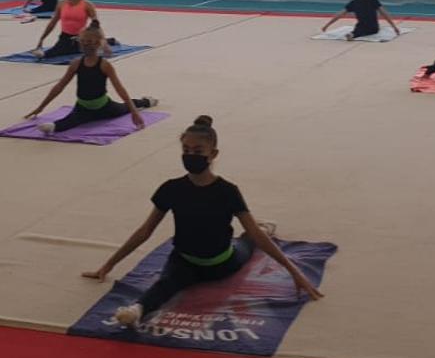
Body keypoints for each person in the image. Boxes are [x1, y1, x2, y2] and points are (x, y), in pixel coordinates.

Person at [82, 115, 324, 326]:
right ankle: (137, 310)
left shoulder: (227, 191)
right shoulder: (171, 188)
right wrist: (108, 265)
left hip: (224, 262)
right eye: (186, 150)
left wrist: (294, 272)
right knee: (165, 284)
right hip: (184, 261)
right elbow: (145, 230)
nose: (190, 155)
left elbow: (256, 236)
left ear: (212, 154)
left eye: (197, 151)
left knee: (250, 238)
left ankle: (264, 226)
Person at [23, 22, 156, 134]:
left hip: (104, 106)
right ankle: (54, 126)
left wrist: (134, 112)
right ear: (80, 43)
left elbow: (120, 89)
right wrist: (41, 107)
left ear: (98, 44)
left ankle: (145, 102)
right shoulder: (75, 64)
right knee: (72, 120)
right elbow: (59, 86)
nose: (87, 45)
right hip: (83, 106)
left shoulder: (104, 65)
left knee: (123, 108)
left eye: (90, 42)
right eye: (84, 42)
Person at [31, 0, 113, 59]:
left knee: (90, 50)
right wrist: (42, 39)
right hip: (65, 37)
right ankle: (109, 41)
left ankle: (108, 41)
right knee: (53, 52)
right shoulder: (61, 4)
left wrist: (104, 43)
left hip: (81, 38)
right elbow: (52, 23)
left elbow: (96, 25)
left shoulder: (87, 5)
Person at [320, 0, 400, 40]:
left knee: (359, 29)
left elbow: (340, 15)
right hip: (372, 27)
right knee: (361, 28)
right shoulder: (368, 1)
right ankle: (353, 34)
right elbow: (385, 14)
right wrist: (394, 26)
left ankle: (352, 34)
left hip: (367, 27)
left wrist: (327, 25)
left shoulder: (358, 2)